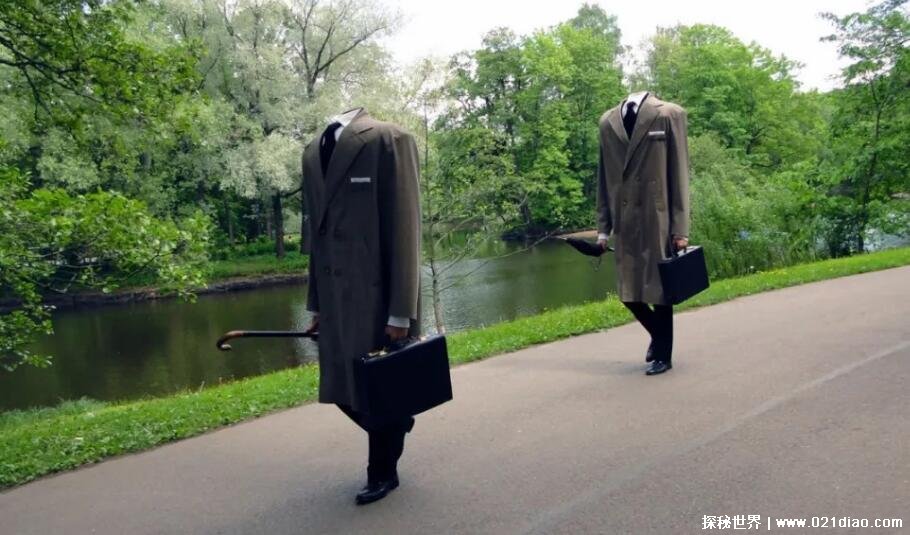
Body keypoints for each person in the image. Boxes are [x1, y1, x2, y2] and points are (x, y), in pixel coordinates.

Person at [302, 107, 422, 504]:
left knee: (378, 385)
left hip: (378, 295)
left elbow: (406, 229)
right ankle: (398, 421)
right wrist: (317, 306)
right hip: (335, 298)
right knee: (341, 387)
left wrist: (401, 310)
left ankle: (382, 474)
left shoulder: (389, 140)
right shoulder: (312, 152)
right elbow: (316, 238)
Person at [595, 91, 690, 375]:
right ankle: (658, 336)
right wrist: (603, 230)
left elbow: (679, 173)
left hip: (657, 216)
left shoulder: (668, 114)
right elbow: (603, 179)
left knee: (660, 291)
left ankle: (664, 356)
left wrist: (680, 228)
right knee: (628, 292)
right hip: (624, 219)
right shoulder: (608, 122)